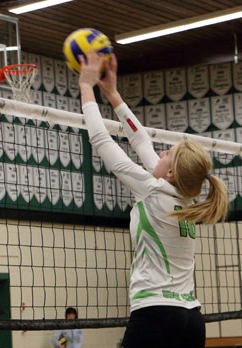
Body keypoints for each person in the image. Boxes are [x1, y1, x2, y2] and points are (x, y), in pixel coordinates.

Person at [78, 52, 229, 348]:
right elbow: (141, 141)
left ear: (171, 171)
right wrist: (112, 93)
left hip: (156, 315)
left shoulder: (152, 189)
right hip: (190, 318)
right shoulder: (184, 196)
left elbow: (100, 139)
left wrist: (86, 87)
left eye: (167, 153)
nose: (160, 153)